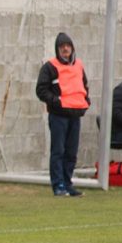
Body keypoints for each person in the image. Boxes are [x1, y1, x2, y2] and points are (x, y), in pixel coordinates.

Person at [36, 32, 89, 197]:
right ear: (57, 49)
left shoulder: (79, 65)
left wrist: (86, 100)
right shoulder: (50, 67)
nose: (65, 49)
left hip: (75, 113)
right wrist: (56, 101)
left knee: (71, 152)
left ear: (72, 48)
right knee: (58, 150)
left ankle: (67, 183)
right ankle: (58, 185)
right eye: (62, 46)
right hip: (59, 115)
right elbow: (41, 90)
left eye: (68, 46)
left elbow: (84, 85)